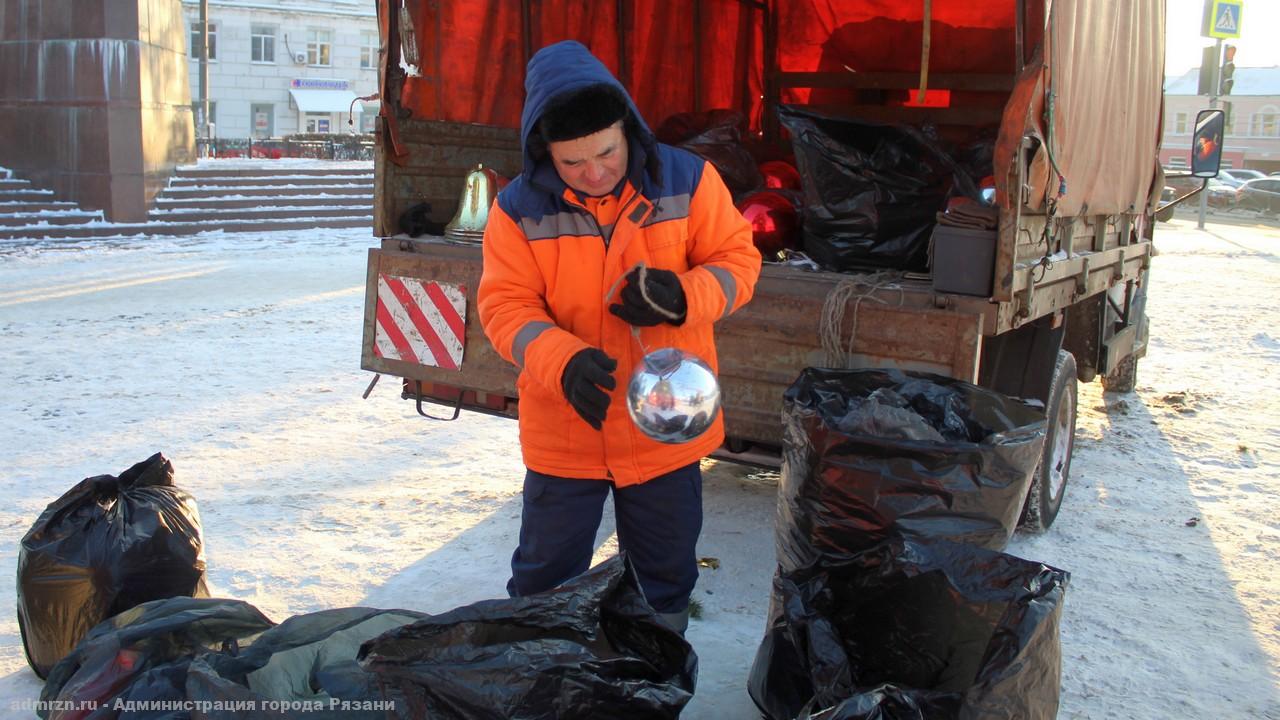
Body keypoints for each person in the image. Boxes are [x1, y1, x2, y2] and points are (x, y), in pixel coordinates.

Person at [477, 40, 761, 633]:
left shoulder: (689, 180)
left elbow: (739, 262)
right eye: (573, 163)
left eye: (606, 152)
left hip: (666, 423)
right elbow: (505, 306)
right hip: (566, 428)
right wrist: (561, 361)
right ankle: (544, 675)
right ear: (543, 151)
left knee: (663, 578)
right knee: (543, 581)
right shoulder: (516, 209)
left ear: (626, 128)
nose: (596, 172)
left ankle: (650, 680)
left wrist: (686, 295)